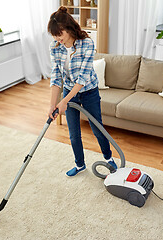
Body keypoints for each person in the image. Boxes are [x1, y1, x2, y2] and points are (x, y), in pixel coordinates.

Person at [47, 6, 117, 177]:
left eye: (60, 34)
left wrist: (64, 102)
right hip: (70, 91)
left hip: (89, 92)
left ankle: (108, 159)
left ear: (69, 28)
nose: (58, 38)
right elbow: (56, 77)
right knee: (73, 134)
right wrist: (52, 105)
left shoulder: (87, 43)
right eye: (54, 35)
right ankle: (79, 165)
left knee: (97, 128)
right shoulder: (55, 47)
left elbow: (82, 79)